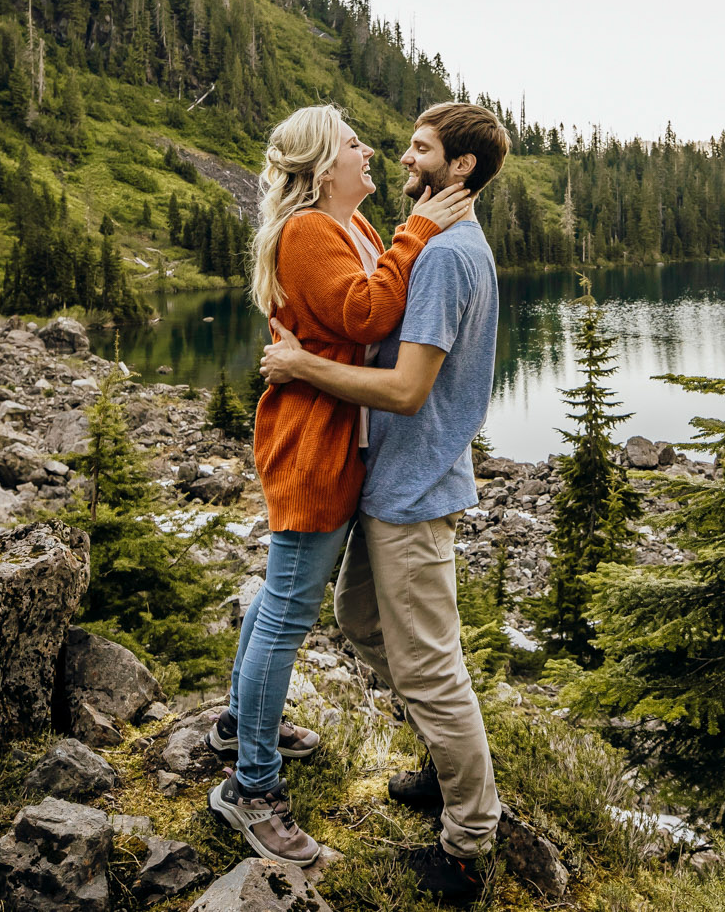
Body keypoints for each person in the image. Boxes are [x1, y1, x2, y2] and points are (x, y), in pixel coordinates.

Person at [208, 104, 476, 867]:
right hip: (312, 449)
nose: (375, 154)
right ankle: (251, 785)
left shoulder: (347, 228)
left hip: (335, 444)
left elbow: (364, 319)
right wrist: (419, 231)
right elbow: (367, 309)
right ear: (326, 167)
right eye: (356, 144)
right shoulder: (308, 232)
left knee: (276, 595)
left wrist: (406, 239)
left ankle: (239, 723)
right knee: (288, 609)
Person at [260, 101, 511, 903]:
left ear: (459, 168)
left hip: (411, 490)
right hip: (393, 482)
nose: (404, 158)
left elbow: (406, 388)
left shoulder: (442, 256)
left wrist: (302, 368)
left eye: (420, 148)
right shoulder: (443, 241)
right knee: (361, 621)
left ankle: (469, 838)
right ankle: (445, 760)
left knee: (433, 669)